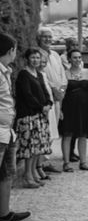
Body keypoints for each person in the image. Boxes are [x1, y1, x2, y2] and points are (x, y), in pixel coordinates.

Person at [0, 33, 31, 221]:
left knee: (7, 172)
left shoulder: (5, 71)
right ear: (9, 50)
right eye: (14, 50)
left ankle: (3, 213)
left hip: (6, 130)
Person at [59, 49, 88, 171]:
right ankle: (66, 163)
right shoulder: (65, 73)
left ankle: (83, 162)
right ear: (69, 59)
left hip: (84, 106)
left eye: (79, 57)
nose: (77, 60)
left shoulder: (87, 72)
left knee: (83, 135)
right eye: (74, 57)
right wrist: (59, 109)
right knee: (67, 134)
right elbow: (61, 92)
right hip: (69, 106)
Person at [14, 48, 53, 188]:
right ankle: (27, 176)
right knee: (29, 148)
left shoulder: (39, 74)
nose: (35, 60)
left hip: (40, 116)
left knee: (37, 148)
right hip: (28, 116)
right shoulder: (23, 75)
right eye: (33, 57)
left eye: (38, 57)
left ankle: (33, 173)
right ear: (27, 59)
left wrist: (49, 103)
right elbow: (27, 95)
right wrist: (41, 107)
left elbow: (45, 92)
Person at [36, 27, 65, 173]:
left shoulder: (55, 55)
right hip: (45, 97)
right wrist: (54, 89)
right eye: (44, 37)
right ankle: (39, 164)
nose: (48, 39)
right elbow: (40, 75)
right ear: (39, 38)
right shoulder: (36, 54)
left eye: (50, 37)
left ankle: (45, 161)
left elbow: (62, 76)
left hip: (58, 98)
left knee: (53, 132)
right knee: (45, 131)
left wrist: (61, 91)